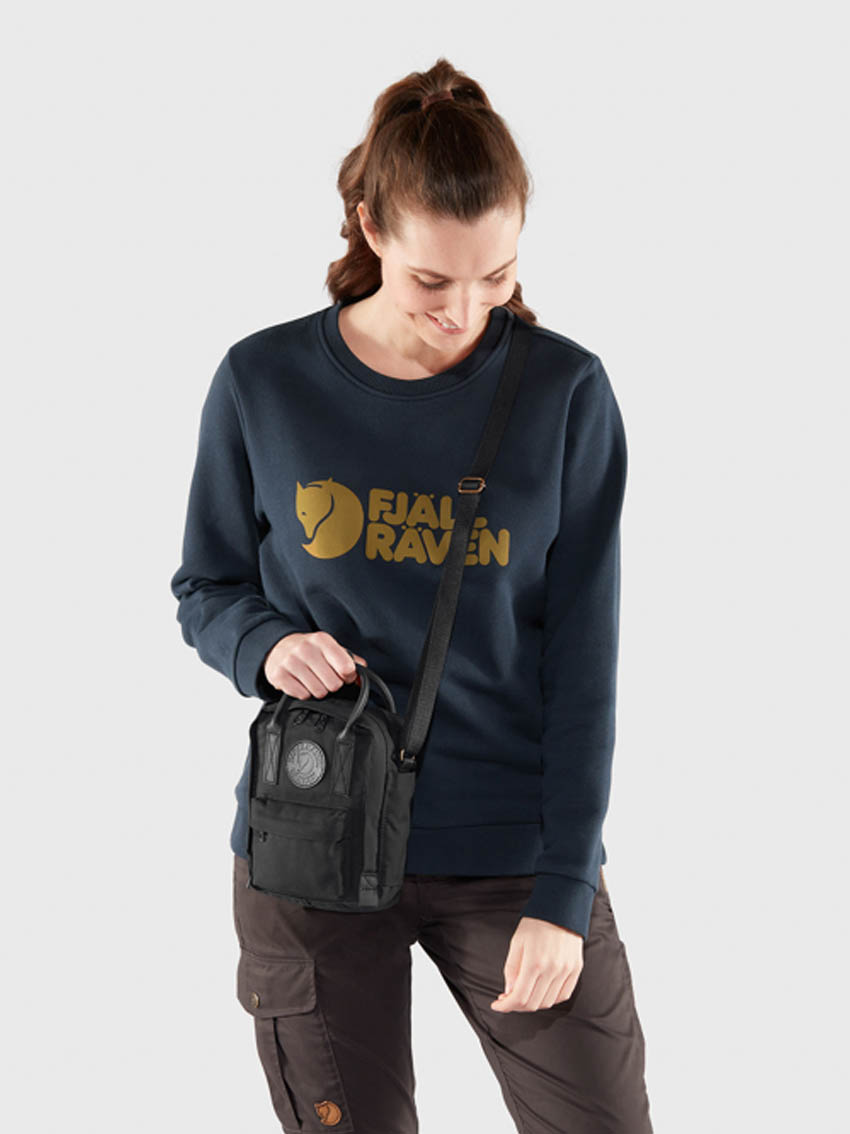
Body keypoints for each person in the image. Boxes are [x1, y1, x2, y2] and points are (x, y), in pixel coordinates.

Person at [170, 56, 653, 1134]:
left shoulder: (564, 394)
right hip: (313, 842)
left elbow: (584, 662)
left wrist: (565, 890)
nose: (466, 311)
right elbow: (206, 584)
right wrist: (263, 645)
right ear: (370, 227)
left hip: (507, 850)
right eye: (435, 282)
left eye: (497, 276)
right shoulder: (263, 381)